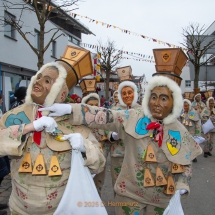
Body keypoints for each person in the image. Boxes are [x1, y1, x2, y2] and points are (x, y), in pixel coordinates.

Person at [40, 49, 202, 214]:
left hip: (162, 200)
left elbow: (185, 165)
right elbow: (104, 115)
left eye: (164, 98)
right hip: (129, 195)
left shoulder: (179, 131)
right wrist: (70, 109)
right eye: (154, 97)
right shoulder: (134, 116)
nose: (157, 103)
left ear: (174, 102)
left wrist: (181, 186)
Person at [0, 61, 105, 214]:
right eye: (39, 77)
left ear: (61, 93)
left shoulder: (75, 123)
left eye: (47, 81)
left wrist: (84, 147)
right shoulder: (15, 116)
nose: (38, 81)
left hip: (60, 209)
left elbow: (100, 164)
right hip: (19, 208)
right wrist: (28, 128)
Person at [107, 81, 142, 194]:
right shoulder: (114, 110)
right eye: (124, 93)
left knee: (136, 183)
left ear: (135, 93)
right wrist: (112, 135)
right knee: (118, 184)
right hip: (118, 154)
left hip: (137, 154)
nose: (127, 95)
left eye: (129, 92)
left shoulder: (142, 110)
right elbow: (105, 127)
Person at [81, 91, 110, 196]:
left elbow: (109, 133)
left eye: (96, 105)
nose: (93, 107)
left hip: (101, 156)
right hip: (86, 157)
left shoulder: (103, 118)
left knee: (98, 184)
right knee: (85, 186)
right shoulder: (80, 120)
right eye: (91, 105)